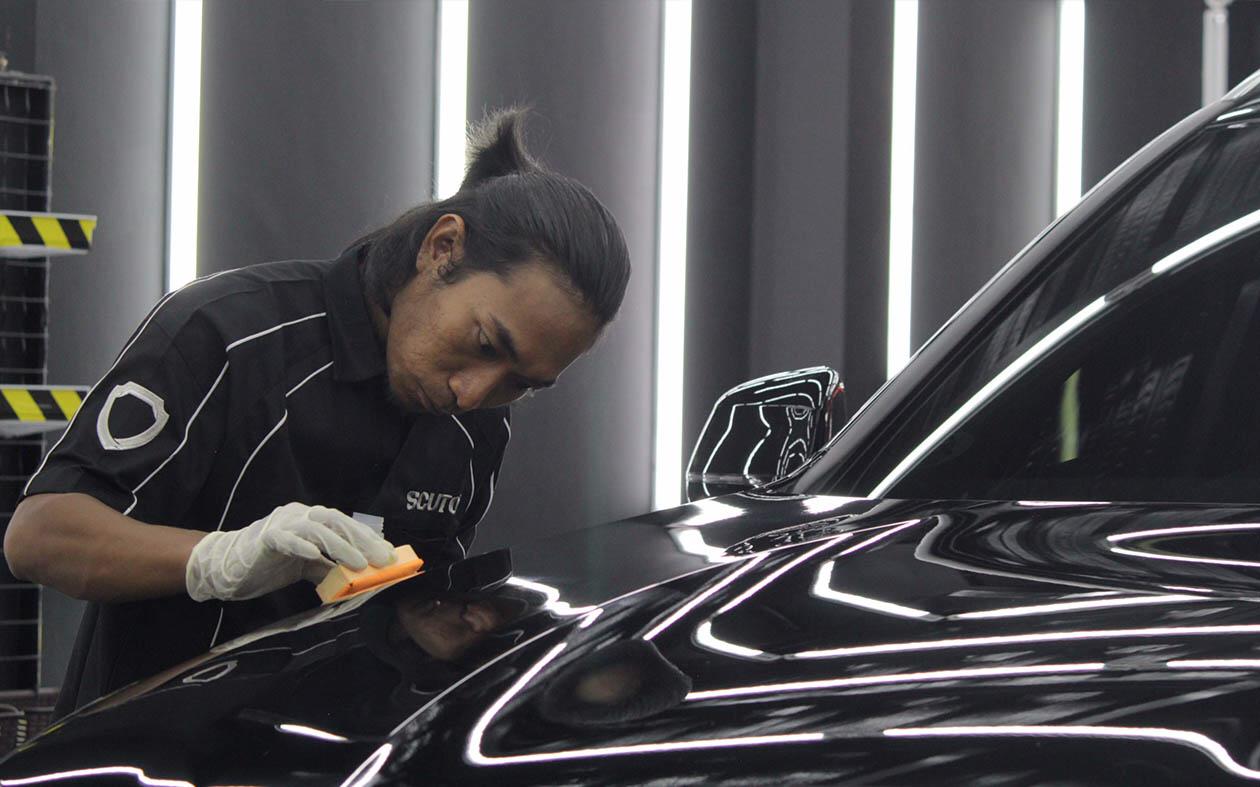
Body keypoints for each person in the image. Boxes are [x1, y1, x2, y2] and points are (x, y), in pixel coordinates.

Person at [2, 109, 631, 716]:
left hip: (335, 755)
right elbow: (40, 537)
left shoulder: (479, 424)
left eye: (522, 384)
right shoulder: (228, 334)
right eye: (486, 344)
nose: (472, 394)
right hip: (149, 746)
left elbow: (413, 606)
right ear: (442, 248)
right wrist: (217, 559)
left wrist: (439, 630)